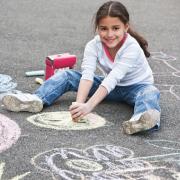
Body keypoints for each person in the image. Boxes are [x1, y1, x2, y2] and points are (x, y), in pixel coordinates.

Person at [2, 1, 161, 135]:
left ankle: (140, 120)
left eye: (115, 28)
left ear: (126, 27)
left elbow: (113, 78)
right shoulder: (93, 45)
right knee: (68, 75)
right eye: (103, 28)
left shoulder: (131, 47)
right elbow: (87, 75)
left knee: (150, 92)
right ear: (97, 28)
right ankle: (36, 99)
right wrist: (79, 105)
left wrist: (89, 106)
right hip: (110, 87)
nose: (109, 34)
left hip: (137, 87)